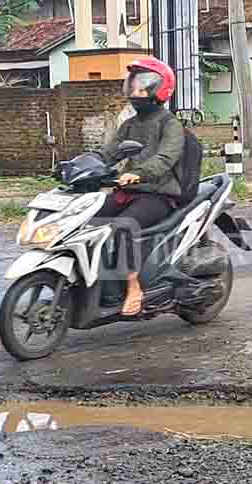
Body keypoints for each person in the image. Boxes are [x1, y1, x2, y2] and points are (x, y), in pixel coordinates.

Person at [92, 56, 184, 316]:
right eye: (133, 84)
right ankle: (98, 281)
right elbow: (109, 154)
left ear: (159, 88)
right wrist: (80, 166)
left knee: (124, 226)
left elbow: (165, 159)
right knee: (86, 219)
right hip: (128, 193)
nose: (135, 90)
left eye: (143, 85)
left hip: (158, 194)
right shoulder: (130, 125)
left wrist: (138, 174)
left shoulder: (170, 124)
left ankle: (134, 288)